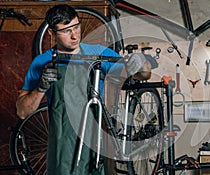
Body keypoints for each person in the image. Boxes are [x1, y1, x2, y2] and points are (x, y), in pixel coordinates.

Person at [16, 4, 155, 175]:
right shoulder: (42, 62)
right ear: (52, 33)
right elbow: (22, 111)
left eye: (76, 27)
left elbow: (142, 75)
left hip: (95, 139)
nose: (75, 35)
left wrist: (140, 62)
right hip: (63, 142)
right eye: (66, 31)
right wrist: (41, 88)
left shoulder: (97, 54)